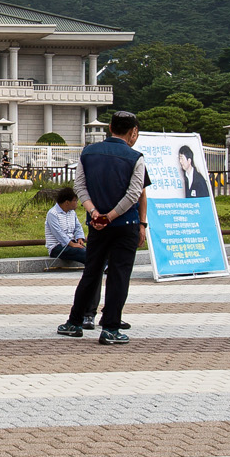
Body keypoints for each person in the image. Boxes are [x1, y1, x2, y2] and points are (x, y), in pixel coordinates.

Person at [60, 111, 147, 345]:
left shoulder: (88, 153)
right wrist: (111, 216)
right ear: (133, 132)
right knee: (119, 276)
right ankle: (110, 328)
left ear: (110, 127)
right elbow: (134, 194)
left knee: (91, 272)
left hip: (96, 225)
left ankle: (74, 322)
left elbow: (80, 186)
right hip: (125, 225)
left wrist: (94, 213)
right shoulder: (136, 158)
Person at [45, 187, 88, 267]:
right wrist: (72, 244)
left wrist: (79, 238)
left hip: (72, 243)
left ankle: (105, 266)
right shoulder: (52, 214)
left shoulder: (72, 212)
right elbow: (58, 233)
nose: (77, 203)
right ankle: (103, 267)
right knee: (81, 252)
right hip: (57, 247)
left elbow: (77, 227)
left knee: (91, 251)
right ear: (67, 202)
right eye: (75, 200)